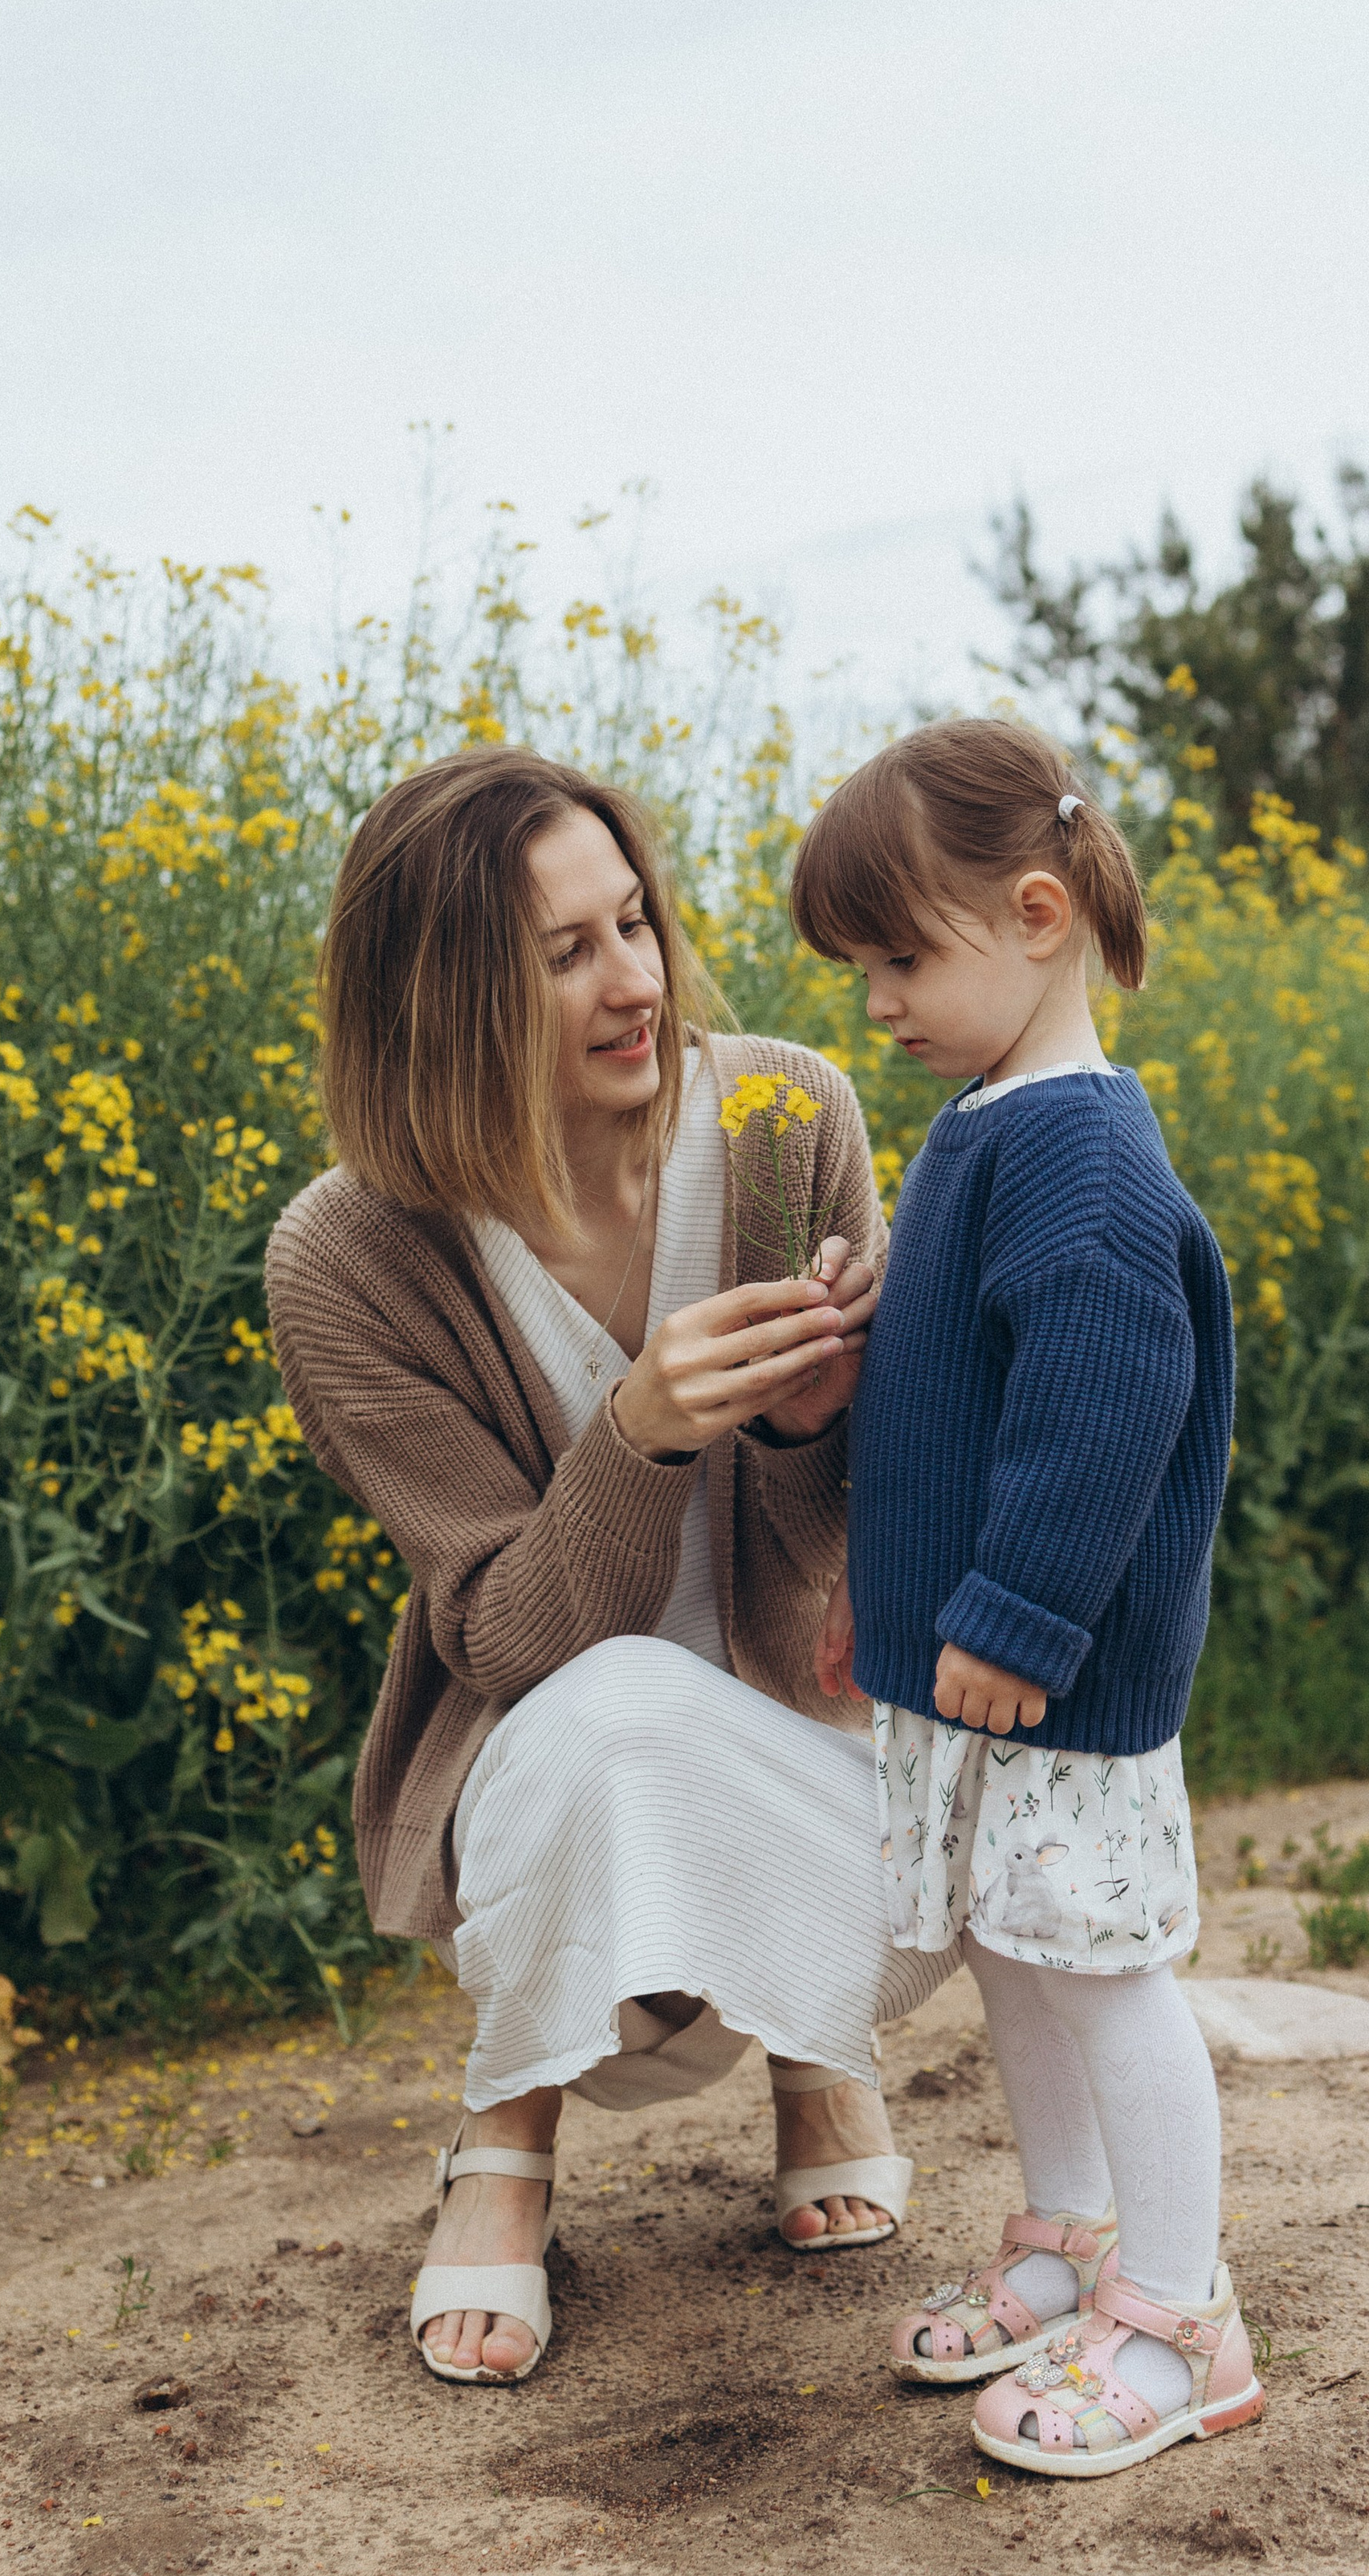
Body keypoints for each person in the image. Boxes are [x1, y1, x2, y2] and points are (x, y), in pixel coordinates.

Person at [266, 745, 954, 2389]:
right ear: (440, 998)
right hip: (551, 1782)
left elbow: (884, 1536)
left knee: (1025, 1746)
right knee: (619, 1704)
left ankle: (815, 2049)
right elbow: (504, 1638)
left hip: (807, 1746)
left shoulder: (792, 1117)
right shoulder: (348, 1257)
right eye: (562, 953)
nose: (632, 981)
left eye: (632, 921)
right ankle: (503, 2146)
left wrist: (809, 1427)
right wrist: (638, 1430)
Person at [791, 718, 1263, 2480]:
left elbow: (1098, 1406)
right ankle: (1065, 2237)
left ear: (1038, 915)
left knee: (1106, 1971)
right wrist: (882, 1597)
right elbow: (948, 1404)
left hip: (1050, 1672)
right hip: (970, 1657)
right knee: (1011, 1950)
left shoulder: (1076, 1159)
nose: (878, 1003)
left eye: (901, 956)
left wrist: (1011, 1621)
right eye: (861, 969)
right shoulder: (990, 1127)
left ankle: (1179, 2314)